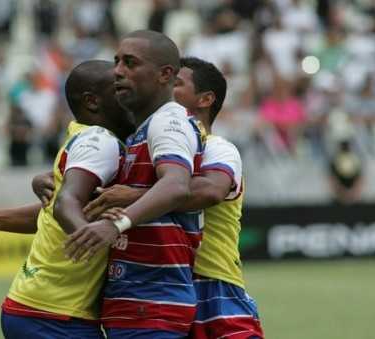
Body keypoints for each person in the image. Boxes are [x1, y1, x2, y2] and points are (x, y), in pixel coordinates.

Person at [77, 57, 265, 338]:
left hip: (213, 285)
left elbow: (211, 190)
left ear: (205, 99)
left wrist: (133, 195)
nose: (164, 87)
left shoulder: (219, 148)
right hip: (160, 289)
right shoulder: (150, 145)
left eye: (176, 83)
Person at [0, 60, 135, 339]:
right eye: (118, 89)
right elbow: (64, 205)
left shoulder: (82, 138)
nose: (128, 94)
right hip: (54, 314)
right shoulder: (100, 141)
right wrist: (94, 236)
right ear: (93, 102)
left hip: (36, 306)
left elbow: (56, 209)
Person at [63, 30, 204, 338]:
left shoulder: (168, 122)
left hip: (152, 304)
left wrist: (116, 226)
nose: (117, 71)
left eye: (130, 63)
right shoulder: (139, 131)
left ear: (165, 74)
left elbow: (177, 185)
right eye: (116, 62)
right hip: (135, 302)